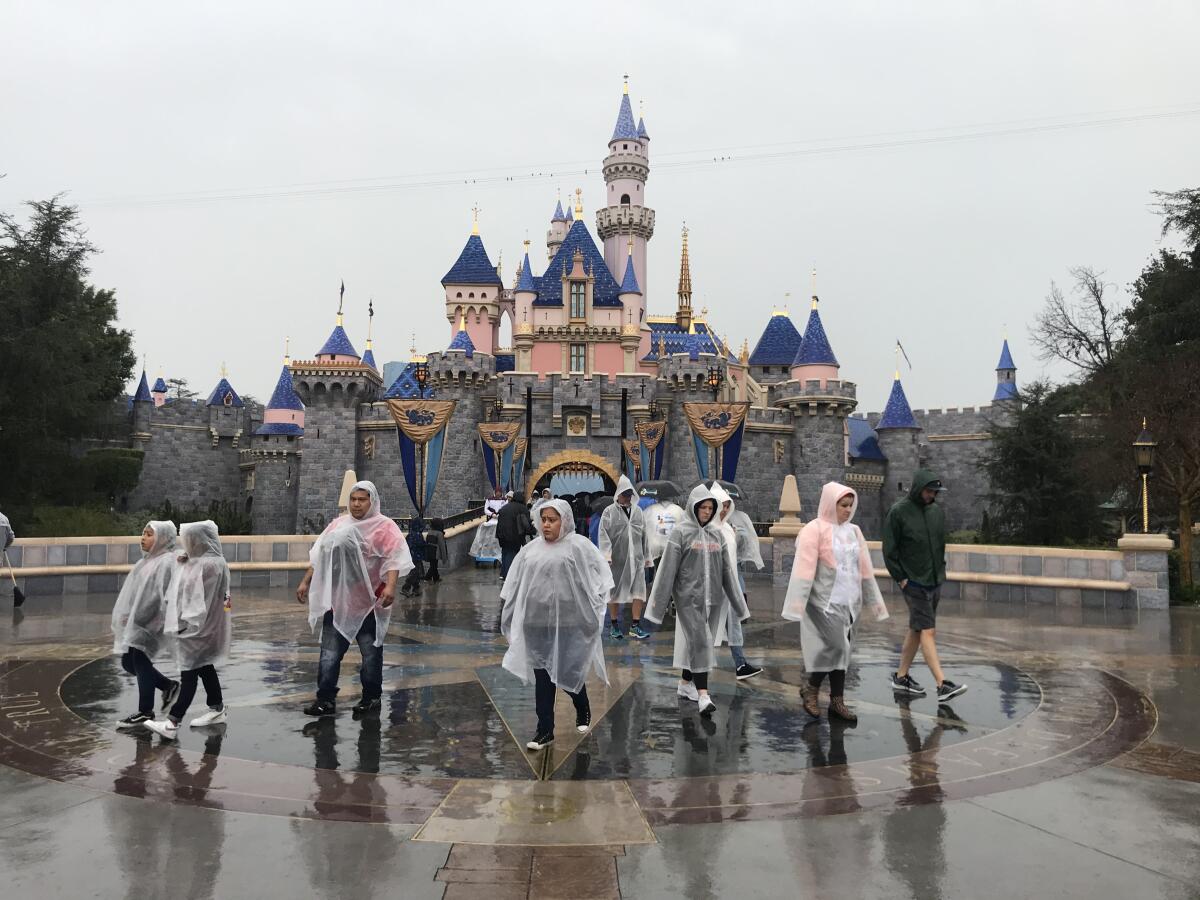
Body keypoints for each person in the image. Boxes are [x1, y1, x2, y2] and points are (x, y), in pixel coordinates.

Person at [500, 499, 612, 751]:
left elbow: (598, 579)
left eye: (552, 519)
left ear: (565, 520)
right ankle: (544, 730)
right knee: (543, 675)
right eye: (544, 520)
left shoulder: (579, 547)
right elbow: (516, 583)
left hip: (569, 622)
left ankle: (581, 704)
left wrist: (593, 610)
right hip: (536, 622)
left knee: (566, 669)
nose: (547, 525)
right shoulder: (530, 550)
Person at [297, 481, 413, 718]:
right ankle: (325, 699)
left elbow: (394, 557)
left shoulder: (384, 527)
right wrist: (306, 581)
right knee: (329, 653)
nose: (357, 504)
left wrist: (391, 586)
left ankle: (371, 698)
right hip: (339, 601)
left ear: (372, 501)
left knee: (370, 653)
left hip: (369, 602)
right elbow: (320, 554)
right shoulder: (338, 524)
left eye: (362, 499)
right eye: (353, 499)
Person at [782, 482, 890, 723]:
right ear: (831, 504)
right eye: (843, 505)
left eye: (851, 505)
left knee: (843, 651)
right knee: (836, 647)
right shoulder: (814, 530)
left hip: (849, 602)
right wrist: (797, 603)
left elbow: (864, 569)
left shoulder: (854, 531)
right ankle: (811, 687)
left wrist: (875, 602)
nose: (848, 510)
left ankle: (836, 701)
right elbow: (804, 567)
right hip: (823, 602)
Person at [645, 484, 748, 717]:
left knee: (701, 642)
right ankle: (703, 695)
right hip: (688, 599)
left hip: (713, 599)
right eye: (703, 507)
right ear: (694, 507)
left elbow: (727, 573)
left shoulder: (717, 534)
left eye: (711, 508)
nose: (707, 512)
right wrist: (657, 607)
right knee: (700, 640)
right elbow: (668, 571)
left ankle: (685, 683)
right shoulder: (681, 533)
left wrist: (739, 605)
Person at [882, 469, 967, 702]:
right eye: (929, 491)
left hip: (934, 579)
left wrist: (940, 569)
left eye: (935, 492)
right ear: (919, 488)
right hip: (913, 581)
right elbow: (889, 550)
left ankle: (901, 677)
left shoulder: (936, 512)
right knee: (928, 630)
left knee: (918, 628)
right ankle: (942, 684)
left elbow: (940, 543)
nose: (932, 495)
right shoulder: (898, 513)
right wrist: (901, 577)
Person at [145, 521, 232, 740]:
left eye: (190, 539)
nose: (187, 543)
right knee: (204, 667)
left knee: (189, 672)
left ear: (200, 539)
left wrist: (182, 625)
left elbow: (193, 597)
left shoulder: (207, 565)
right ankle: (217, 708)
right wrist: (189, 559)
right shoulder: (214, 561)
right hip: (208, 627)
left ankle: (173, 722)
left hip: (197, 628)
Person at [111, 521, 181, 730]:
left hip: (151, 621)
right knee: (128, 661)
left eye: (149, 534)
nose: (143, 538)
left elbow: (158, 597)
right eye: (143, 533)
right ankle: (168, 686)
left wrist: (138, 617)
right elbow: (135, 592)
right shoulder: (146, 561)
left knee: (139, 660)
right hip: (137, 619)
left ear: (162, 538)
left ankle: (145, 711)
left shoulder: (167, 562)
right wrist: (128, 614)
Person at [709, 483, 763, 680]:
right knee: (706, 628)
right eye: (720, 505)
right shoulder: (707, 530)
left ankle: (740, 664)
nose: (724, 509)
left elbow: (734, 554)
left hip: (729, 585)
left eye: (726, 505)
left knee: (734, 624)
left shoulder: (728, 529)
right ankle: (692, 672)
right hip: (712, 587)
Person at [599, 476, 651, 640]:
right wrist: (607, 555)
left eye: (629, 494)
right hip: (616, 560)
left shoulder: (638, 512)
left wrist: (647, 556)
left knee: (639, 592)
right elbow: (603, 534)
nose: (627, 497)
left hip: (636, 559)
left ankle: (635, 626)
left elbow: (645, 535)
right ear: (618, 494)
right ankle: (615, 625)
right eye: (624, 494)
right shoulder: (609, 512)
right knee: (614, 592)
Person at [496, 490, 537, 579]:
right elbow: (526, 523)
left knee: (505, 552)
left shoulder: (505, 507)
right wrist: (532, 530)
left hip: (501, 534)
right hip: (514, 535)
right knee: (511, 553)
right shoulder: (522, 508)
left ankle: (503, 574)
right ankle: (508, 576)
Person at [400, 517, 426, 597]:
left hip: (412, 556)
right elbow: (420, 544)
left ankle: (416, 589)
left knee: (417, 573)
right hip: (415, 557)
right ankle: (406, 588)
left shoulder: (410, 534)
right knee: (415, 573)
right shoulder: (417, 535)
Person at [423, 518, 448, 583]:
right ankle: (427, 577)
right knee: (434, 566)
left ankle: (436, 578)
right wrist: (444, 558)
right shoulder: (439, 533)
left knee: (433, 565)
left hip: (430, 551)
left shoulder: (430, 532)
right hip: (435, 552)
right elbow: (442, 545)